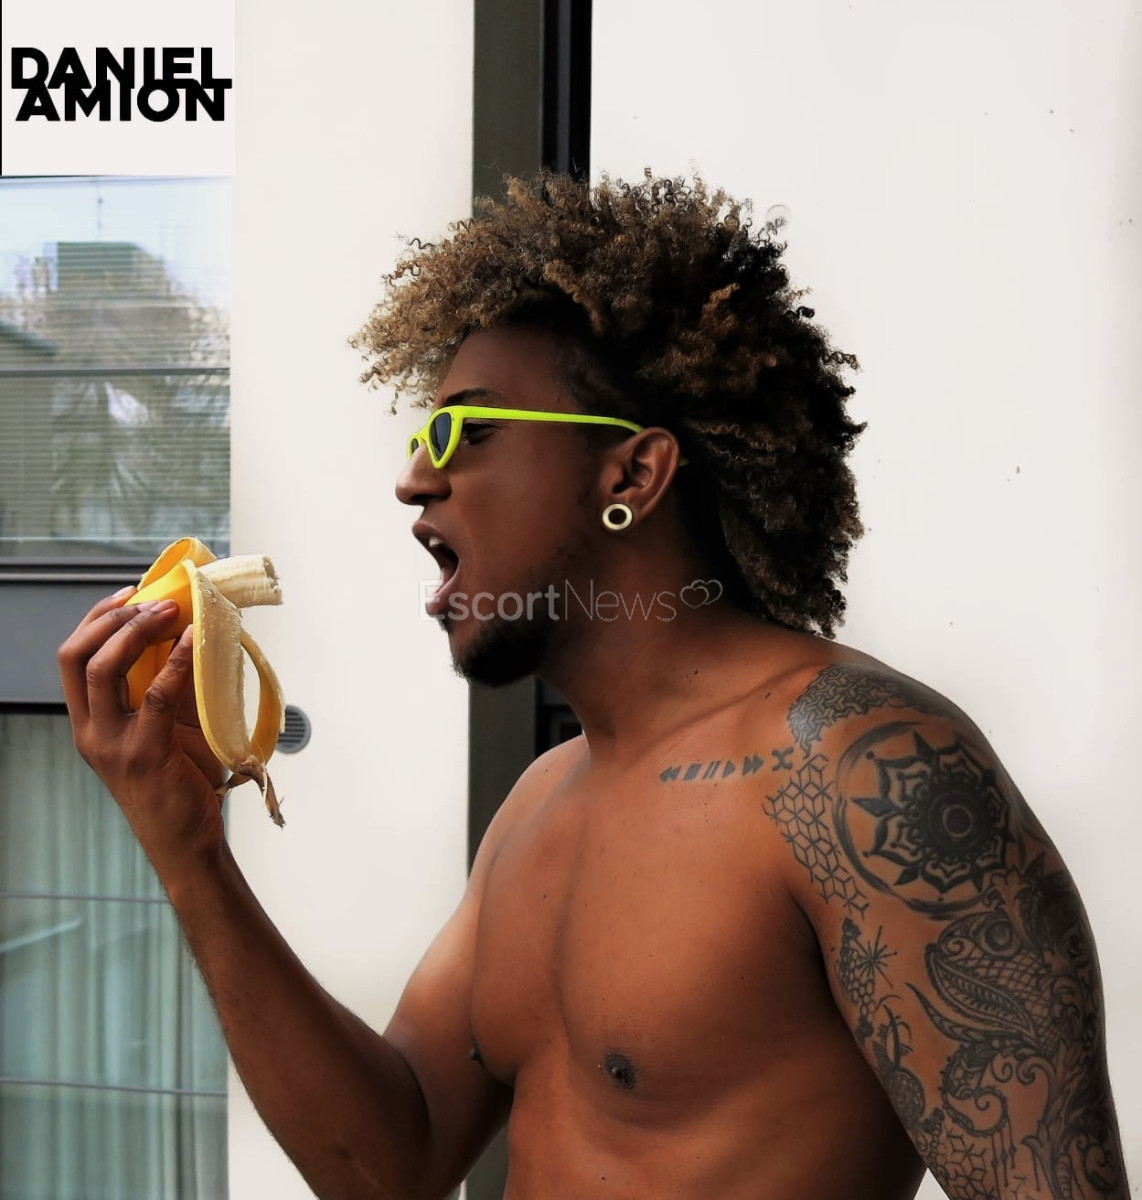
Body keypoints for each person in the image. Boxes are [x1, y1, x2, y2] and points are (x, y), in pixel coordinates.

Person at [59, 172, 1128, 1200]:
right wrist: (188, 850)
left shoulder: (862, 766)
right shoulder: (542, 803)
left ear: (631, 475)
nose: (414, 478)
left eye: (463, 429)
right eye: (422, 436)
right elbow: (389, 1164)